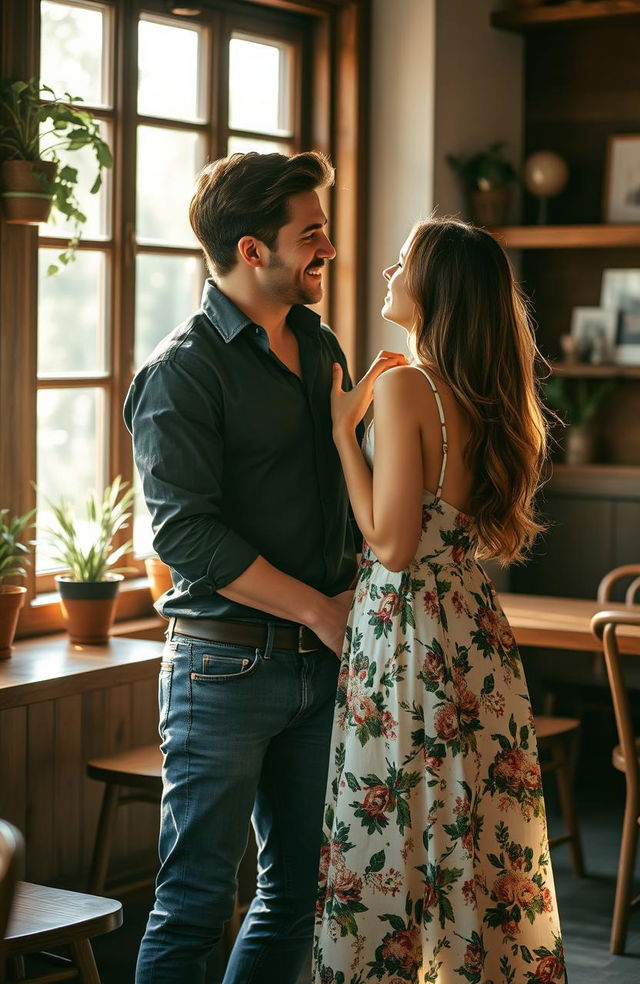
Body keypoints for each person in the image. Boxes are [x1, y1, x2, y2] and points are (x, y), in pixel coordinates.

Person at [124, 150, 405, 984]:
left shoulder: (321, 346)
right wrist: (321, 611)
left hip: (323, 668)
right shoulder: (181, 372)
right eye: (310, 234)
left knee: (301, 890)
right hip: (224, 665)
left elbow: (345, 488)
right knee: (195, 902)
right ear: (253, 251)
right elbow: (187, 538)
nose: (327, 249)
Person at [313, 218, 567, 984]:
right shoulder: (483, 395)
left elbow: (390, 546)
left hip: (407, 632)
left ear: (437, 289)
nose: (391, 267)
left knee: (398, 834)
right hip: (476, 632)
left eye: (406, 260)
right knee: (475, 836)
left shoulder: (403, 386)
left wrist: (338, 434)